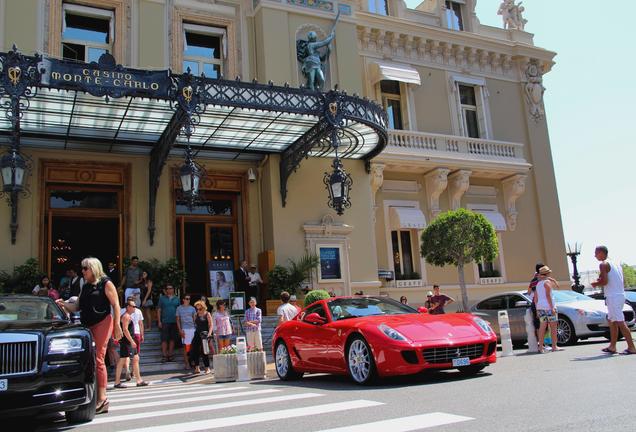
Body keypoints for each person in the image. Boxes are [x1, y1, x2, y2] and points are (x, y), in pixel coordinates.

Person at [56, 257, 122, 414]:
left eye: (85, 268)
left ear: (94, 268)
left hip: (103, 322)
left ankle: (103, 399)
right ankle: (91, 395)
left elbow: (116, 304)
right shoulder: (85, 286)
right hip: (87, 325)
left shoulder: (106, 283)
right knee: (89, 359)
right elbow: (77, 306)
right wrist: (63, 304)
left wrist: (117, 325)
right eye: (82, 268)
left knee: (98, 358)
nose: (83, 271)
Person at [592, 246, 636, 355]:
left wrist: (596, 284)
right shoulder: (615, 264)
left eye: (596, 253)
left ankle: (632, 347)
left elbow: (605, 281)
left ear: (601, 253)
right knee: (612, 321)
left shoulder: (603, 264)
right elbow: (614, 279)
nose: (595, 255)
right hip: (620, 294)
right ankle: (612, 346)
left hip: (613, 296)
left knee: (620, 321)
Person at [114, 299, 148, 388]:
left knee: (136, 358)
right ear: (128, 307)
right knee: (122, 361)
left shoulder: (127, 315)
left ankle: (139, 380)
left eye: (135, 306)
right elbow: (125, 330)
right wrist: (132, 341)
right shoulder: (126, 316)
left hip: (128, 341)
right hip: (126, 342)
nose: (135, 308)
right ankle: (117, 382)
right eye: (133, 306)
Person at [535, 266, 562, 353]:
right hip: (549, 308)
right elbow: (548, 295)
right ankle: (554, 346)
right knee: (553, 327)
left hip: (540, 308)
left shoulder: (538, 284)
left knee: (542, 327)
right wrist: (552, 307)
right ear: (547, 273)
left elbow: (536, 298)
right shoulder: (547, 282)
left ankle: (540, 347)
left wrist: (537, 309)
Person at [157, 284, 180, 363]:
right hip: (165, 321)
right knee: (164, 339)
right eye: (168, 288)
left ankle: (170, 355)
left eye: (171, 288)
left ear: (173, 289)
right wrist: (159, 321)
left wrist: (179, 322)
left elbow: (179, 310)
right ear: (166, 290)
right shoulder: (162, 299)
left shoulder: (177, 299)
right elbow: (159, 310)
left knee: (172, 339)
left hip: (174, 321)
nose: (169, 290)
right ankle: (164, 355)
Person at [190, 300, 213, 374]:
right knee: (194, 349)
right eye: (197, 309)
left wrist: (209, 333)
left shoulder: (207, 314)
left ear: (203, 308)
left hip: (205, 334)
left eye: (200, 309)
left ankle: (207, 368)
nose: (198, 310)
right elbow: (195, 324)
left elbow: (211, 325)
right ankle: (197, 367)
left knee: (204, 351)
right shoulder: (196, 315)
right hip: (197, 333)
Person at [176, 294, 196, 370]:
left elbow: (194, 319)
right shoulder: (179, 308)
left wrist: (196, 328)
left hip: (192, 329)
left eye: (189, 299)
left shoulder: (192, 308)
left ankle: (193, 361)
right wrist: (180, 330)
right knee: (185, 347)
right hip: (184, 329)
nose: (188, 300)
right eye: (186, 299)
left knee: (193, 346)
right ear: (183, 300)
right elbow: (177, 320)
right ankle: (187, 363)